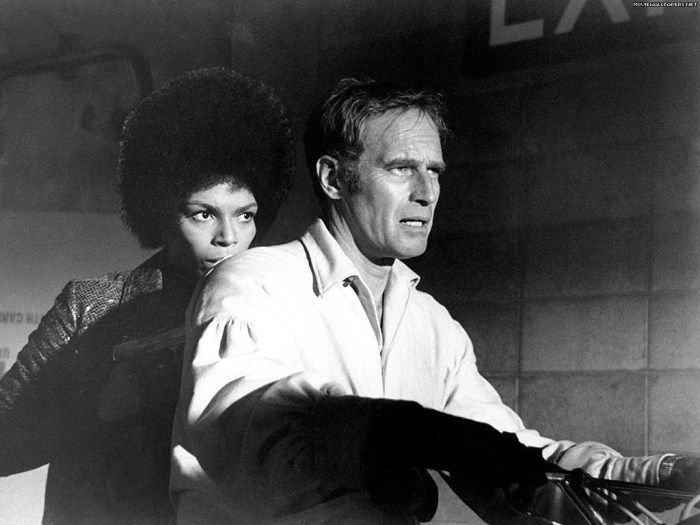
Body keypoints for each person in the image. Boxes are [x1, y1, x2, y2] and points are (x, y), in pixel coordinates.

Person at [170, 78, 700, 524]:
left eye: (435, 171)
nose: (426, 192)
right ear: (333, 178)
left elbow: (508, 456)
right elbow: (251, 428)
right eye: (401, 168)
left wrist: (647, 474)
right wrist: (401, 434)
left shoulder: (432, 323)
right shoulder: (251, 284)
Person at [0, 67, 294, 525]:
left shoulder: (285, 310)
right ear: (160, 211)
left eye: (245, 215)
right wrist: (98, 407)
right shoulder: (89, 307)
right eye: (203, 214)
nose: (228, 237)